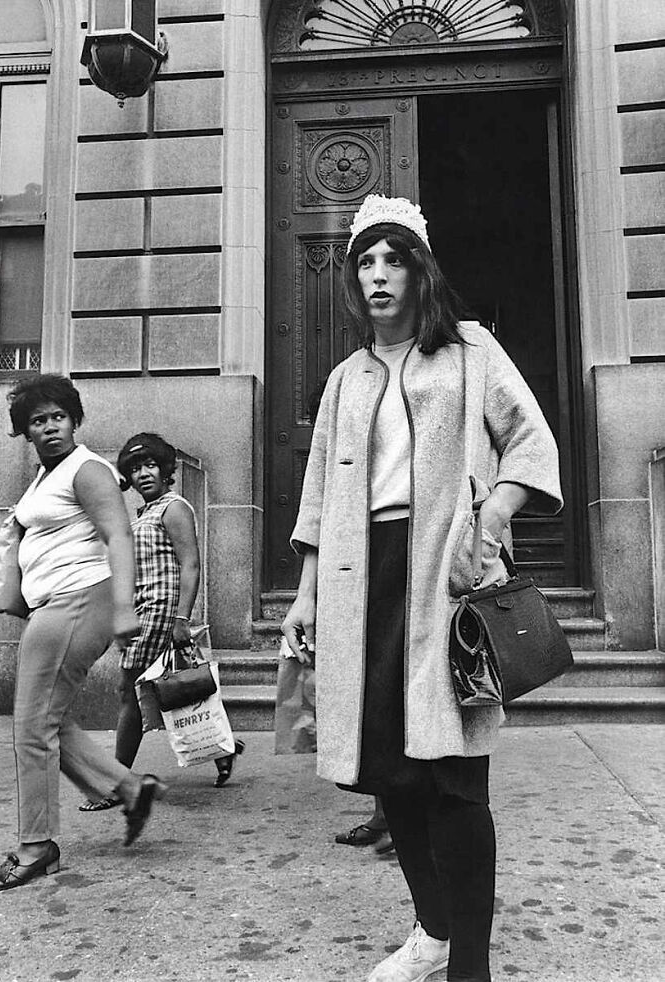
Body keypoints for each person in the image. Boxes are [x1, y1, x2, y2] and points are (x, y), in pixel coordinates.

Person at [281, 194, 562, 982]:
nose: (377, 275)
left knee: (455, 778)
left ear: (419, 269)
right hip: (359, 579)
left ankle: (468, 963)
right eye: (364, 261)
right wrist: (305, 594)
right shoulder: (346, 377)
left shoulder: (471, 351)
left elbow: (529, 442)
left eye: (392, 258)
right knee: (388, 773)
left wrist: (497, 515)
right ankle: (432, 933)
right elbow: (316, 496)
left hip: (444, 576)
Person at [0, 377, 165, 895]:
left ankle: (36, 847)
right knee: (46, 721)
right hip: (56, 606)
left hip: (80, 600)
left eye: (57, 416)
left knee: (31, 727)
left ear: (74, 419)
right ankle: (128, 788)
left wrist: (126, 608)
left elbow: (118, 534)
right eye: (38, 420)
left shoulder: (86, 469)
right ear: (26, 432)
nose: (49, 426)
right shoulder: (47, 475)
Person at [79, 432, 244, 810]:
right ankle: (223, 748)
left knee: (130, 692)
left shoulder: (174, 508)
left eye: (150, 465)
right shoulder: (143, 514)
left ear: (166, 469)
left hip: (162, 612)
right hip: (141, 611)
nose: (143, 474)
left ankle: (118, 784)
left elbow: (191, 563)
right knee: (170, 691)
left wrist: (182, 617)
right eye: (135, 469)